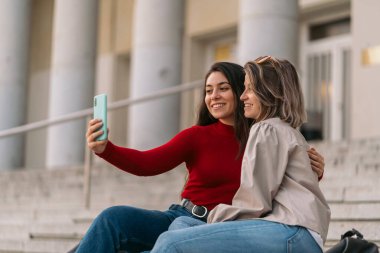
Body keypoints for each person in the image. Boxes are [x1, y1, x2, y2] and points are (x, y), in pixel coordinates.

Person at [73, 62, 325, 253]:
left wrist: (315, 170)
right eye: (208, 90)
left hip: (228, 226)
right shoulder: (197, 136)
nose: (213, 96)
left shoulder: (267, 134)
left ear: (242, 92)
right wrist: (105, 149)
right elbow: (147, 163)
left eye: (223, 88)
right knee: (113, 219)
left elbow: (287, 186)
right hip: (185, 217)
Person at [149, 56, 331, 253]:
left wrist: (213, 215)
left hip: (292, 231)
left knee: (170, 243)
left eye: (250, 89)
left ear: (269, 92)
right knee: (182, 224)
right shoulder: (284, 129)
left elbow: (254, 204)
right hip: (295, 232)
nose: (242, 96)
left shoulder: (266, 129)